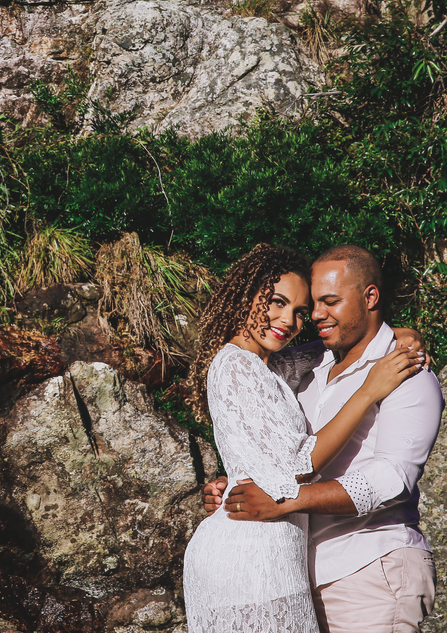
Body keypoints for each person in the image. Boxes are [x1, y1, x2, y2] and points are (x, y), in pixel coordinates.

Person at [180, 244, 424, 633]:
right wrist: (368, 391)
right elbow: (297, 465)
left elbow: (334, 349)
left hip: (273, 551)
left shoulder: (270, 367)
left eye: (297, 312)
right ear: (246, 297)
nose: (288, 321)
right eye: (275, 303)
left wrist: (400, 334)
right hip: (250, 557)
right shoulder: (235, 366)